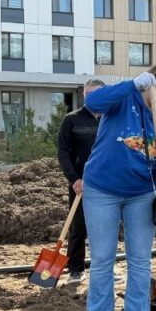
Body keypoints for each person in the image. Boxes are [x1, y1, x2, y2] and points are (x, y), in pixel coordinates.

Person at [75, 63, 156, 311]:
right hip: (102, 190)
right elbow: (92, 102)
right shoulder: (123, 99)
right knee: (102, 260)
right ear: (154, 83)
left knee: (140, 261)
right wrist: (131, 84)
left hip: (142, 195)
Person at [56, 78, 105, 284]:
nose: (91, 97)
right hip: (81, 184)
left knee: (105, 228)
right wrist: (73, 179)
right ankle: (75, 269)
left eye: (96, 93)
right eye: (88, 94)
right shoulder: (72, 120)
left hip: (107, 183)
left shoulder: (111, 119)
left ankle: (103, 269)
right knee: (78, 227)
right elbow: (63, 152)